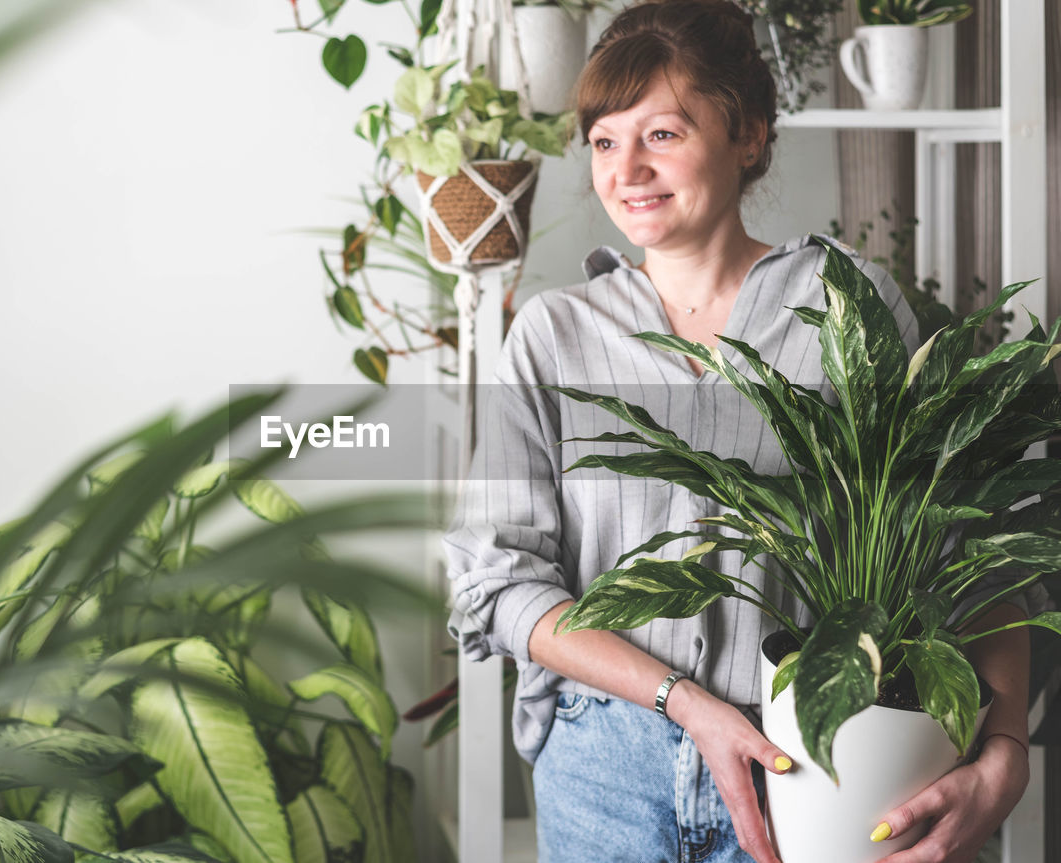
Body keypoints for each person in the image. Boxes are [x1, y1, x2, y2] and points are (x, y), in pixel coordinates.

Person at [443, 2, 1034, 861]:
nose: (628, 169)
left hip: (823, 767)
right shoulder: (550, 334)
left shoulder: (846, 307)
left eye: (663, 133)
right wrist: (684, 701)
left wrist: (1005, 749)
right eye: (605, 142)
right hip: (607, 773)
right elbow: (497, 582)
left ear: (749, 134)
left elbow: (972, 550)